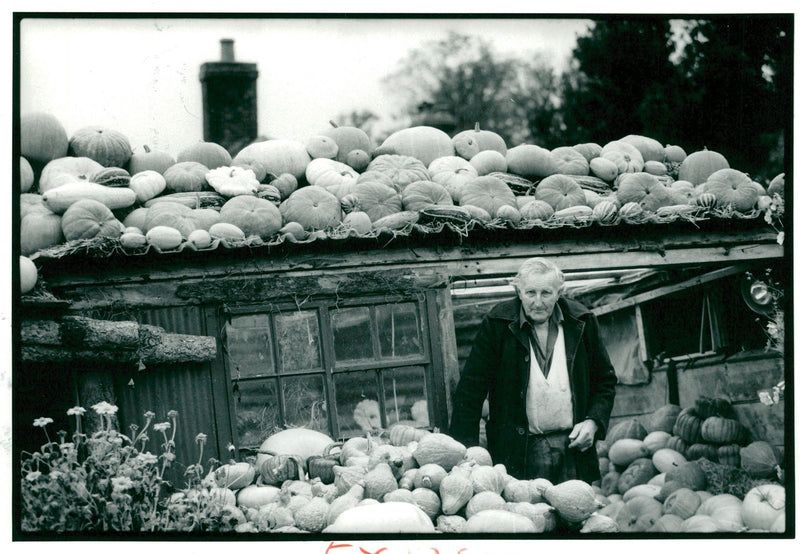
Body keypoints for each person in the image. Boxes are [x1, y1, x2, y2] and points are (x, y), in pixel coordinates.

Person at [448, 257, 617, 484]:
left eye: (546, 293)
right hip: (519, 450)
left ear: (559, 292)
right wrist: (465, 454)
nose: (538, 302)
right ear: (518, 292)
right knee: (525, 516)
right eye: (530, 293)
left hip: (572, 448)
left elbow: (604, 381)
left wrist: (593, 422)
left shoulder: (582, 322)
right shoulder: (498, 324)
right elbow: (471, 391)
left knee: (575, 511)